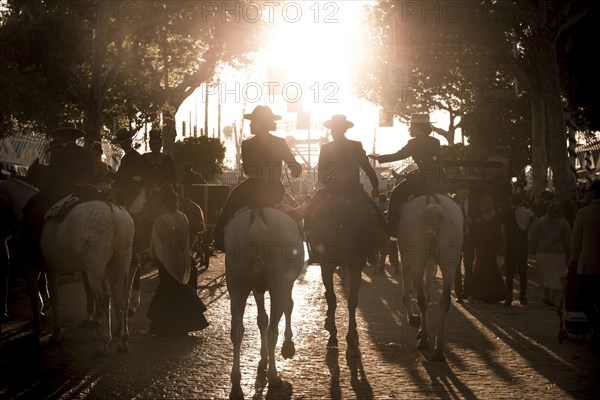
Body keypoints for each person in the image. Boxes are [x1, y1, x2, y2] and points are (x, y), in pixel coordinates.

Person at [212, 105, 302, 251]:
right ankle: (302, 236)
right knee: (296, 215)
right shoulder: (279, 142)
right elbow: (294, 166)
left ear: (260, 123)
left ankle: (218, 237)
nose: (250, 124)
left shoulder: (247, 144)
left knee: (231, 201)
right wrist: (295, 170)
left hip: (251, 188)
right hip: (274, 189)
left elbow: (248, 169)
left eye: (253, 122)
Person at [146, 184, 209, 336]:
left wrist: (152, 256)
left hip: (165, 260)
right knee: (180, 288)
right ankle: (183, 323)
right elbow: (186, 240)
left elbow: (155, 243)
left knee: (167, 289)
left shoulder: (159, 220)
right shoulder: (183, 217)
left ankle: (166, 326)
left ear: (162, 203)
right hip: (181, 259)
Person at [369, 113, 445, 236]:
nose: (410, 129)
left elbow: (398, 155)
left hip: (421, 181)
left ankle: (391, 228)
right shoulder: (436, 141)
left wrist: (379, 158)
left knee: (395, 194)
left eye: (412, 126)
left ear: (418, 127)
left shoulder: (413, 143)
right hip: (437, 179)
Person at [569, 179, 600, 351]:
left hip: (589, 265)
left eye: (587, 191)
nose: (585, 194)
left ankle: (596, 329)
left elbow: (576, 241)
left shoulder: (584, 213)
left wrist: (573, 260)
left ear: (593, 193)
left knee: (587, 301)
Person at [531, 202, 570, 308]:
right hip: (558, 253)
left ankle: (547, 297)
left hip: (542, 252)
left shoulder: (541, 221)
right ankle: (552, 299)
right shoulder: (564, 223)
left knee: (545, 276)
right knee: (556, 277)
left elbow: (535, 237)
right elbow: (567, 241)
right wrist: (569, 253)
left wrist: (533, 250)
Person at [469, 193, 506, 303]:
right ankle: (478, 294)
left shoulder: (499, 214)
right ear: (481, 202)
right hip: (481, 245)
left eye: (489, 200)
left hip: (494, 245)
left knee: (492, 267)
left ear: (493, 202)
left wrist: (503, 244)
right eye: (485, 200)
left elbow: (502, 230)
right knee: (480, 265)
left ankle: (493, 294)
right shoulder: (478, 214)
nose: (487, 202)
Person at [502, 191, 535, 306]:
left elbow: (503, 230)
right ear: (521, 201)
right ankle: (522, 297)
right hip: (522, 245)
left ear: (511, 200)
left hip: (510, 245)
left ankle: (508, 296)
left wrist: (505, 243)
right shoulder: (527, 214)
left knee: (509, 272)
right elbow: (531, 229)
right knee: (522, 272)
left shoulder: (506, 213)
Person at [454, 180, 479, 303]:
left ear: (468, 192)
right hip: (456, 238)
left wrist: (471, 221)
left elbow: (478, 220)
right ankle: (458, 294)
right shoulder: (452, 203)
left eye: (465, 191)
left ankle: (466, 292)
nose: (463, 193)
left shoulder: (474, 204)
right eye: (461, 191)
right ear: (457, 192)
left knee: (469, 265)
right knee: (456, 266)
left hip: (469, 237)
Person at [111, 128, 148, 208]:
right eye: (122, 143)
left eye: (126, 142)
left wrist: (121, 185)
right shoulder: (124, 158)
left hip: (131, 189)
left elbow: (137, 176)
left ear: (130, 141)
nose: (124, 145)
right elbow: (120, 176)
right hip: (123, 186)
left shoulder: (136, 157)